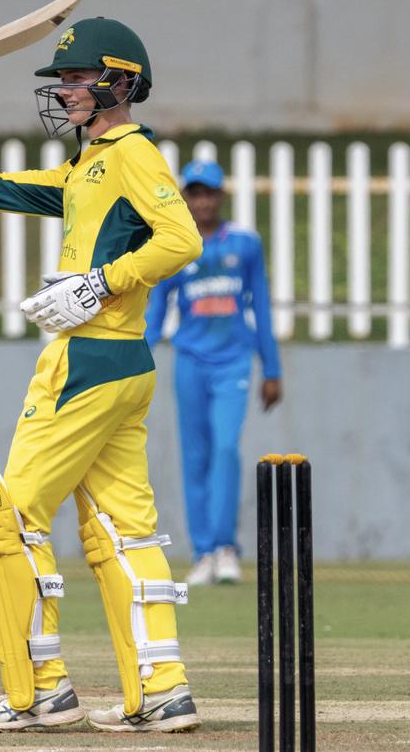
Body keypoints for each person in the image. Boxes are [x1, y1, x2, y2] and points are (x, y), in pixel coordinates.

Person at [0, 16, 203, 732]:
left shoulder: (129, 156)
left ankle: (41, 690)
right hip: (122, 363)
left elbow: (181, 238)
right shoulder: (89, 166)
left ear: (120, 82)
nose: (65, 92)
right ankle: (163, 691)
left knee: (10, 516)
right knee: (123, 531)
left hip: (88, 357)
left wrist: (98, 285)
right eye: (62, 81)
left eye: (78, 80)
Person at [145, 160, 282, 587]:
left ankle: (225, 548)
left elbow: (259, 303)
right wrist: (135, 353)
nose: (203, 201)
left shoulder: (244, 243)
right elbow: (155, 308)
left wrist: (272, 368)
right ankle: (203, 551)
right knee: (196, 457)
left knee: (225, 449)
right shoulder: (173, 243)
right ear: (186, 197)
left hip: (234, 362)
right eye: (195, 193)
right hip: (190, 362)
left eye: (210, 193)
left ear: (221, 196)